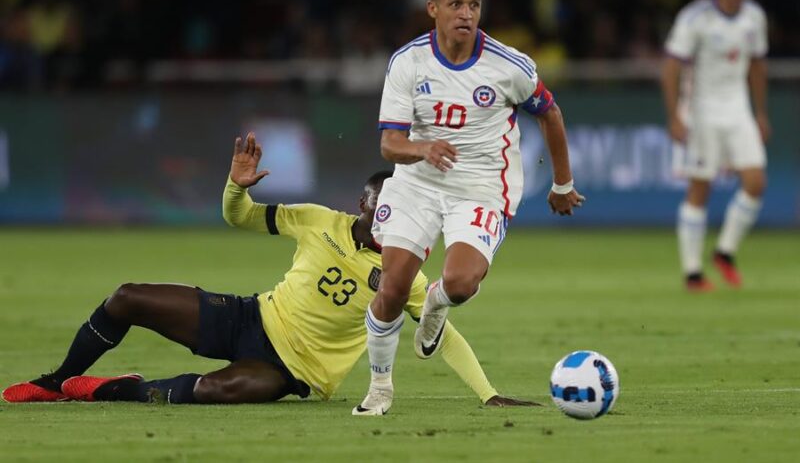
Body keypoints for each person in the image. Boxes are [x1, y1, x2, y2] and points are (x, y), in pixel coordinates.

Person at [3, 133, 534, 408]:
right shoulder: (318, 220)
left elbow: (445, 335)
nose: (389, 216)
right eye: (382, 205)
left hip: (290, 371)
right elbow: (240, 217)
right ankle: (55, 381)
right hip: (249, 317)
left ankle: (107, 390)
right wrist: (236, 186)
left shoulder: (405, 273)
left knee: (209, 393)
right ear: (364, 202)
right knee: (127, 297)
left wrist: (487, 393)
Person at [354, 0, 583, 416]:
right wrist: (422, 148)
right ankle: (380, 388)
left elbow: (550, 114)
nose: (466, 14)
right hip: (417, 180)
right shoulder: (408, 62)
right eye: (455, 4)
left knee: (460, 284)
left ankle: (437, 303)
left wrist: (563, 184)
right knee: (393, 287)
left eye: (474, 5)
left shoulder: (508, 66)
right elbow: (390, 144)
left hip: (480, 184)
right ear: (433, 9)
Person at [661, 0, 770, 292]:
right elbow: (671, 67)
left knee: (755, 182)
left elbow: (757, 65)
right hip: (702, 111)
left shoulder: (754, 17)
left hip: (738, 109)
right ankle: (692, 272)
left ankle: (724, 251)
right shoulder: (696, 18)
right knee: (700, 187)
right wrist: (675, 115)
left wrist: (760, 113)